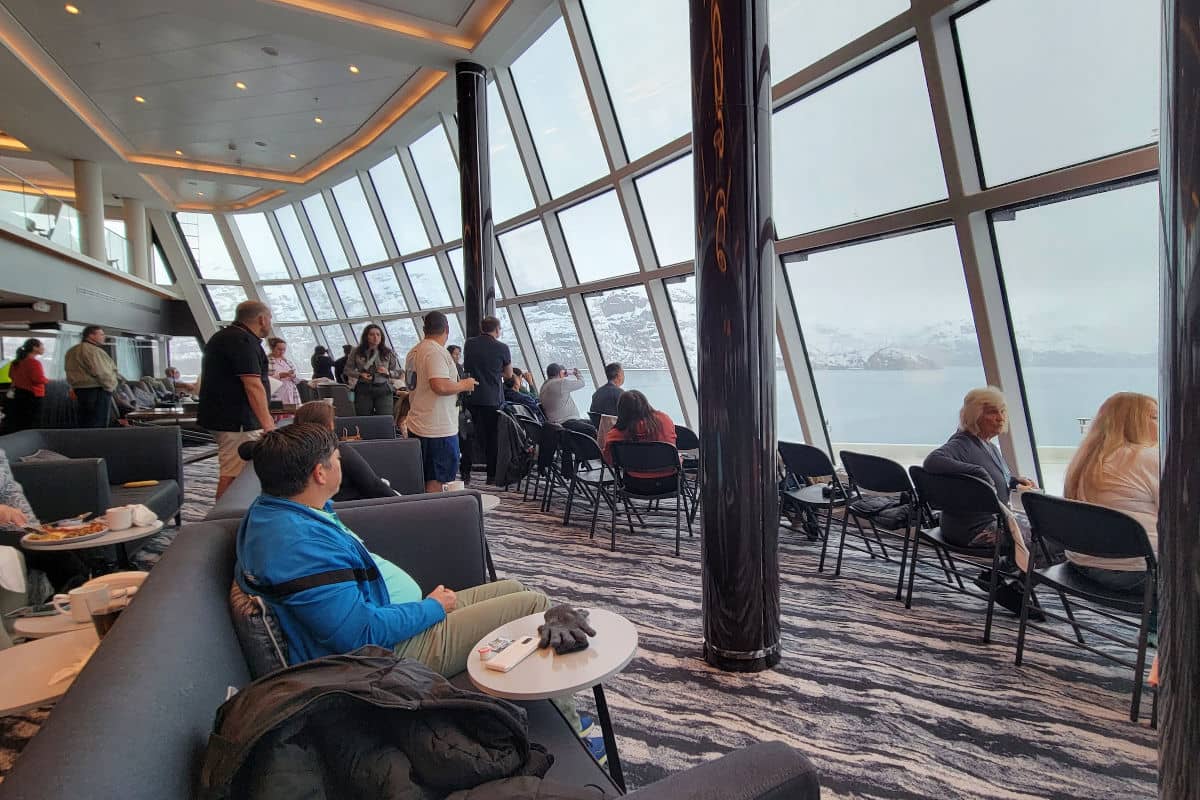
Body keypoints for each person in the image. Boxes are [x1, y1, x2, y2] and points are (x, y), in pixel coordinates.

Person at [234, 423, 552, 677]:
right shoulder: (299, 547)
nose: (341, 464)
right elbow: (359, 635)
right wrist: (432, 608)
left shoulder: (282, 510)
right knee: (536, 604)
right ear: (320, 473)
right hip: (385, 654)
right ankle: (567, 721)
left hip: (396, 616)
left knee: (514, 587)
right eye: (337, 459)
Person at [923, 387, 1040, 616]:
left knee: (1044, 533)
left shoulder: (988, 445)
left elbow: (993, 481)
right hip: (972, 530)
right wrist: (976, 472)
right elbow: (932, 461)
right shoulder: (962, 443)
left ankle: (995, 576)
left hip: (982, 523)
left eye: (1003, 411)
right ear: (974, 416)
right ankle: (1014, 589)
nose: (1000, 418)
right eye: (992, 412)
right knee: (1048, 540)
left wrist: (1014, 481)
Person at [1063, 392, 1159, 591]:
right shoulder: (1148, 458)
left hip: (1082, 564)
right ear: (1134, 422)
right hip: (1138, 572)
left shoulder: (1086, 460)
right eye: (1155, 417)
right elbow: (1184, 519)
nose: (1163, 422)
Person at [198, 300, 275, 499]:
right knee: (235, 475)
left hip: (224, 416)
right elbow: (252, 384)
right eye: (270, 319)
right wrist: (268, 425)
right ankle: (222, 521)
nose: (270, 324)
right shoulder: (242, 341)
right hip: (237, 421)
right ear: (262, 319)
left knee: (236, 472)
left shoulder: (223, 336)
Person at [405, 312, 477, 492]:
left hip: (420, 422)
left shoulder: (414, 351)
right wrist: (464, 384)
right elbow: (439, 385)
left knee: (426, 475)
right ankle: (434, 515)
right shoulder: (435, 352)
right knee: (439, 478)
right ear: (447, 329)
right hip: (438, 428)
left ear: (424, 329)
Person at [291, 401, 396, 501]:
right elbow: (374, 486)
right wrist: (403, 501)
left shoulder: (292, 453)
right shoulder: (338, 451)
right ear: (328, 425)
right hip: (358, 507)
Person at [462, 316, 512, 484]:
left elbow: (467, 366)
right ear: (497, 330)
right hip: (492, 398)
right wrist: (496, 373)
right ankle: (491, 476)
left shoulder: (469, 344)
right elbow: (509, 374)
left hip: (471, 396)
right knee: (492, 437)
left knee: (468, 436)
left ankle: (465, 473)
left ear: (482, 328)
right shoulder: (502, 348)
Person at [601, 390, 678, 490]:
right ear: (646, 403)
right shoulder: (664, 420)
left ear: (621, 409)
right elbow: (672, 444)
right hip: (669, 483)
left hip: (634, 485)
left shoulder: (616, 434)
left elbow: (609, 460)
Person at [64, 325, 118, 428]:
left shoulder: (71, 351)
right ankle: (97, 444)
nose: (104, 336)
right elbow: (102, 373)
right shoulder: (93, 351)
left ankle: (86, 443)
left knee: (85, 423)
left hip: (79, 390)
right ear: (91, 336)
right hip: (97, 391)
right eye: (101, 334)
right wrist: (111, 387)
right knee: (98, 424)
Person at [345, 324, 402, 417]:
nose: (375, 337)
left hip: (383, 388)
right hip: (363, 389)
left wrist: (388, 372)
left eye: (378, 334)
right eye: (372, 334)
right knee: (363, 418)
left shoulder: (388, 352)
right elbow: (347, 370)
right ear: (366, 336)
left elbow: (398, 372)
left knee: (385, 418)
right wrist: (360, 374)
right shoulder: (356, 351)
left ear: (381, 337)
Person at [6, 339, 49, 433]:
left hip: (19, 394)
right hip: (32, 396)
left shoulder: (15, 362)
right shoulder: (34, 362)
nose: (44, 348)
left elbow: (11, 376)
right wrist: (47, 380)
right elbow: (38, 379)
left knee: (21, 421)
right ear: (34, 348)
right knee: (32, 423)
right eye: (42, 346)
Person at [539, 363, 594, 434]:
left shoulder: (543, 386)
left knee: (591, 423)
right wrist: (577, 373)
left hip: (555, 425)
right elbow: (582, 383)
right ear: (560, 372)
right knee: (593, 428)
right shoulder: (561, 383)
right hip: (567, 422)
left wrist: (562, 374)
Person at [267, 337, 301, 406]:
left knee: (291, 414)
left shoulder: (288, 362)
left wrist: (293, 376)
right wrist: (279, 376)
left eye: (284, 349)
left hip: (291, 393)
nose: (282, 352)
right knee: (279, 414)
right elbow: (264, 379)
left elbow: (298, 381)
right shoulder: (267, 362)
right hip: (277, 394)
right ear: (272, 348)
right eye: (279, 349)